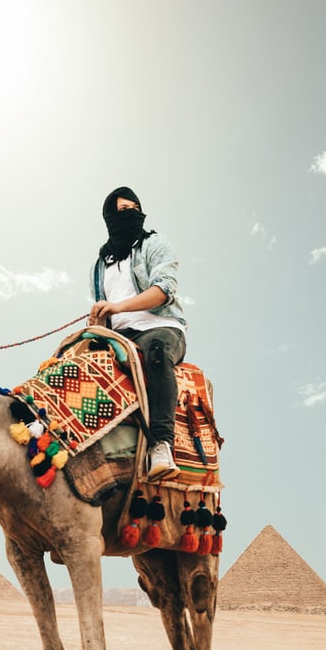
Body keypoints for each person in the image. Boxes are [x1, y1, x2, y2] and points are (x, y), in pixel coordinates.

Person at [88, 186, 186, 481]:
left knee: (155, 353)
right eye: (122, 211)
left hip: (160, 327)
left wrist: (117, 307)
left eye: (134, 208)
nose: (131, 214)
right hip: (117, 336)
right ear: (109, 218)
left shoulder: (155, 244)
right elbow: (101, 309)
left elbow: (163, 291)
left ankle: (161, 444)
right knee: (72, 366)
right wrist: (96, 323)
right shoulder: (99, 266)